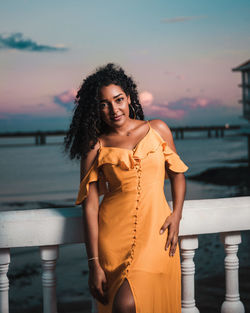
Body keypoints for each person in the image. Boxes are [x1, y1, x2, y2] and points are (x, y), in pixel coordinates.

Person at [64, 63, 188, 313]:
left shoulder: (158, 129)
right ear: (96, 109)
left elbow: (177, 175)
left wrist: (176, 214)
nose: (113, 109)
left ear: (129, 98)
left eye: (118, 99)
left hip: (156, 233)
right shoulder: (95, 146)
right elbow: (90, 205)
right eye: (104, 104)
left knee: (127, 304)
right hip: (113, 238)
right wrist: (94, 264)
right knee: (123, 306)